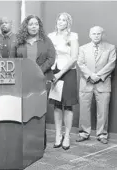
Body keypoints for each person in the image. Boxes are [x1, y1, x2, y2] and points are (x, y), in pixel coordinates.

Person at [13, 15, 56, 149]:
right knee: (24, 110)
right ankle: (24, 141)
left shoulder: (46, 40)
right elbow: (13, 59)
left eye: (36, 24)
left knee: (39, 110)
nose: (33, 27)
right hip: (22, 80)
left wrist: (37, 70)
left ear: (39, 26)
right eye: (30, 24)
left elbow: (51, 58)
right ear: (26, 26)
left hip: (41, 79)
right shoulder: (19, 41)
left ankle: (39, 142)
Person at [76, 26, 116, 144]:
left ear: (102, 35)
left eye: (98, 34)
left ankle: (102, 134)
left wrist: (98, 76)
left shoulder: (111, 48)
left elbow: (111, 64)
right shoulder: (83, 48)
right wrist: (90, 75)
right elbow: (80, 63)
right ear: (90, 35)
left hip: (103, 83)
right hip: (86, 83)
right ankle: (83, 133)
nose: (96, 36)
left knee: (103, 110)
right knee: (84, 109)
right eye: (94, 33)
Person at [48, 12, 79, 150]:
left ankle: (67, 136)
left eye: (64, 20)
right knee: (56, 105)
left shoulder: (73, 36)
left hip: (67, 73)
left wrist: (60, 74)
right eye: (59, 19)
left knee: (67, 106)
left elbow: (73, 58)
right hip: (54, 72)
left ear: (68, 23)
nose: (61, 22)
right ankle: (58, 135)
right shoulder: (50, 36)